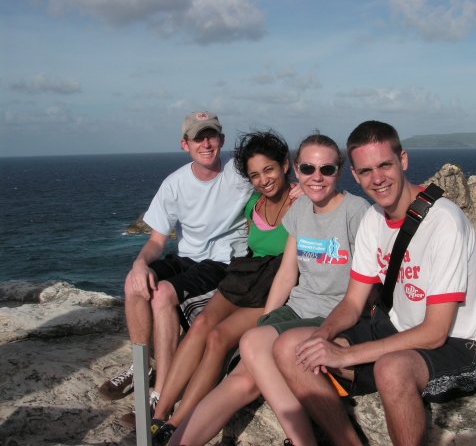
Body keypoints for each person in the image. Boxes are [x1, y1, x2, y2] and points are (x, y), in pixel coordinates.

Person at [274, 120, 476, 445]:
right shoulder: (374, 219)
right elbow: (352, 303)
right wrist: (322, 337)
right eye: (365, 171)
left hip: (457, 346)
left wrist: (345, 356)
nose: (377, 179)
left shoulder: (443, 222)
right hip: (393, 330)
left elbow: (435, 332)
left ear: (403, 160)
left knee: (391, 369)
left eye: (384, 165)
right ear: (355, 174)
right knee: (291, 348)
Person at [168, 134, 370, 446]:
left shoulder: (356, 211)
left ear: (340, 171)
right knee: (243, 377)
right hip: (298, 309)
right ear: (297, 170)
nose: (317, 177)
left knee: (251, 346)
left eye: (326, 169)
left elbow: (371, 280)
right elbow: (287, 274)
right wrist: (268, 320)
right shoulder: (300, 210)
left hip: (333, 314)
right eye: (308, 168)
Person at [99, 112, 254, 411]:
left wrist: (297, 187)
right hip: (186, 257)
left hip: (222, 261)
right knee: (134, 283)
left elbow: (272, 177)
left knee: (162, 295)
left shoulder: (239, 173)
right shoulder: (174, 184)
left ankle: (161, 391)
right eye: (198, 138)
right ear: (185, 144)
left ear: (221, 140)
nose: (205, 144)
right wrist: (139, 264)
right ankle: (140, 367)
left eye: (211, 136)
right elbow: (157, 240)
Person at [149, 130, 294, 442]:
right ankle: (158, 416)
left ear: (285, 165)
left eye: (269, 169)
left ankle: (177, 422)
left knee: (218, 337)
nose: (263, 180)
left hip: (275, 283)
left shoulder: (301, 202)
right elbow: (222, 217)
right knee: (202, 323)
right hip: (246, 273)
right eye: (255, 175)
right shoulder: (253, 203)